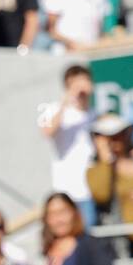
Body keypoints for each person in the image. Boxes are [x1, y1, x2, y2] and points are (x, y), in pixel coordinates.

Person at [38, 64, 98, 227]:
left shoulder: (94, 114)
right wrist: (67, 100)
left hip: (91, 189)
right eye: (75, 83)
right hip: (67, 189)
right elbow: (47, 131)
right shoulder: (54, 109)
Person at [86, 112, 133, 252]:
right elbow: (101, 195)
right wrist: (105, 156)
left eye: (120, 134)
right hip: (119, 242)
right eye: (109, 136)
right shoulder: (95, 169)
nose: (116, 140)